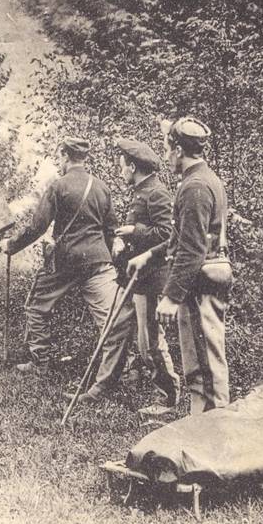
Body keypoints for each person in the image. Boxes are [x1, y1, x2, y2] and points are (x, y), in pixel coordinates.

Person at [0, 137, 134, 404]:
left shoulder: (58, 186)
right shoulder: (102, 187)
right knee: (113, 318)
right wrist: (104, 257)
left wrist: (11, 246)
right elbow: (111, 229)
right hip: (98, 262)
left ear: (64, 156)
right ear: (84, 158)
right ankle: (126, 368)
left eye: (60, 157)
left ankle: (41, 362)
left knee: (37, 307)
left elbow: (37, 228)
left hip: (66, 262)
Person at [128, 117, 233, 414]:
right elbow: (181, 238)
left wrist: (171, 297)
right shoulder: (204, 180)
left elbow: (191, 249)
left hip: (201, 283)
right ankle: (200, 426)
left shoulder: (194, 187)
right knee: (200, 365)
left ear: (177, 150)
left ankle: (212, 436)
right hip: (203, 278)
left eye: (167, 148)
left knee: (205, 367)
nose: (165, 156)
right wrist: (149, 256)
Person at [112, 138, 182, 410]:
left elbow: (168, 236)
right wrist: (124, 240)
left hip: (154, 277)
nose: (121, 173)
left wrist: (133, 232)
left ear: (132, 166)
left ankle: (168, 398)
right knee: (144, 341)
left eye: (122, 168)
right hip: (139, 276)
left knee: (151, 342)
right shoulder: (142, 190)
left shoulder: (156, 192)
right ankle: (158, 389)